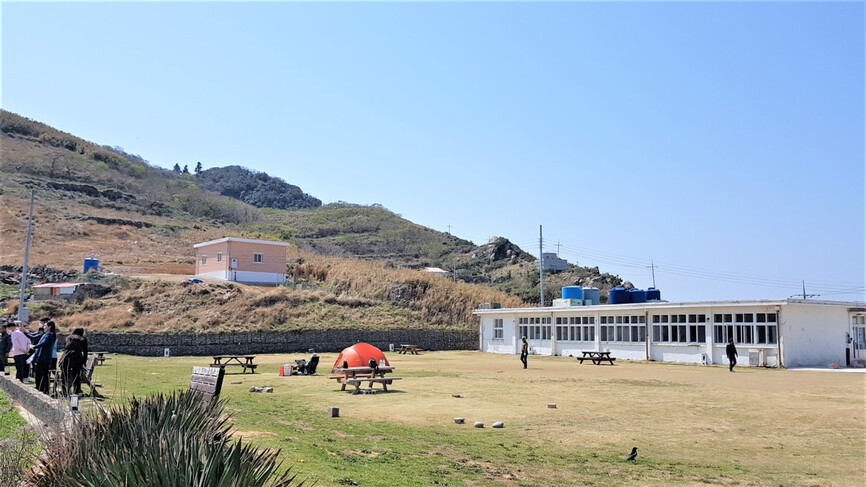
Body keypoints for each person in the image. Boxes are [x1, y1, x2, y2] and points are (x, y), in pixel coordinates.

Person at [59, 328, 88, 395]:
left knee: (64, 375)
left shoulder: (68, 338)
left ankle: (63, 391)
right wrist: (84, 362)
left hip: (66, 357)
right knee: (76, 376)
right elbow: (85, 352)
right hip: (77, 358)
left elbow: (66, 348)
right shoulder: (83, 339)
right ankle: (76, 391)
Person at [31, 321, 56, 394]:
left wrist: (34, 347)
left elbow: (43, 343)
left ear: (49, 326)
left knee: (40, 374)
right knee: (44, 374)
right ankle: (44, 388)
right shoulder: (50, 335)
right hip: (46, 358)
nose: (43, 327)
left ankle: (41, 388)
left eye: (45, 326)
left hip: (43, 358)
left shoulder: (48, 334)